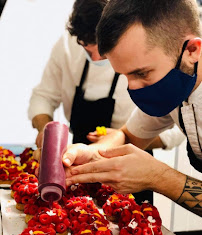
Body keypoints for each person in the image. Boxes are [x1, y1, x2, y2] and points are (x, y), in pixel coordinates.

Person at [28, 0, 185, 204]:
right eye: (86, 48)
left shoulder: (145, 57)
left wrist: (124, 141)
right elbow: (44, 96)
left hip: (131, 164)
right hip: (83, 157)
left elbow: (171, 130)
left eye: (102, 51)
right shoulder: (67, 45)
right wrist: (48, 133)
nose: (94, 57)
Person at [63, 0, 202, 217]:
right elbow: (127, 135)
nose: (133, 87)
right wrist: (90, 153)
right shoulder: (174, 87)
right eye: (125, 76)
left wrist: (158, 177)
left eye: (141, 73)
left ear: (192, 50)